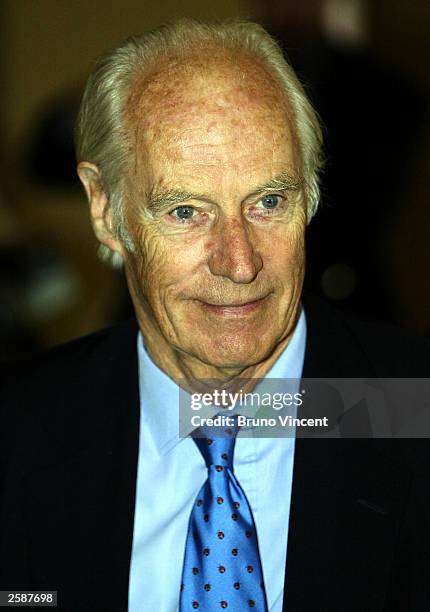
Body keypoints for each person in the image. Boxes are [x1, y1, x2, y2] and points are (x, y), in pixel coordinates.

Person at [1, 18, 429, 612]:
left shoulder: (414, 408)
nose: (239, 263)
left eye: (269, 201)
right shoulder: (18, 433)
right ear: (105, 209)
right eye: (185, 211)